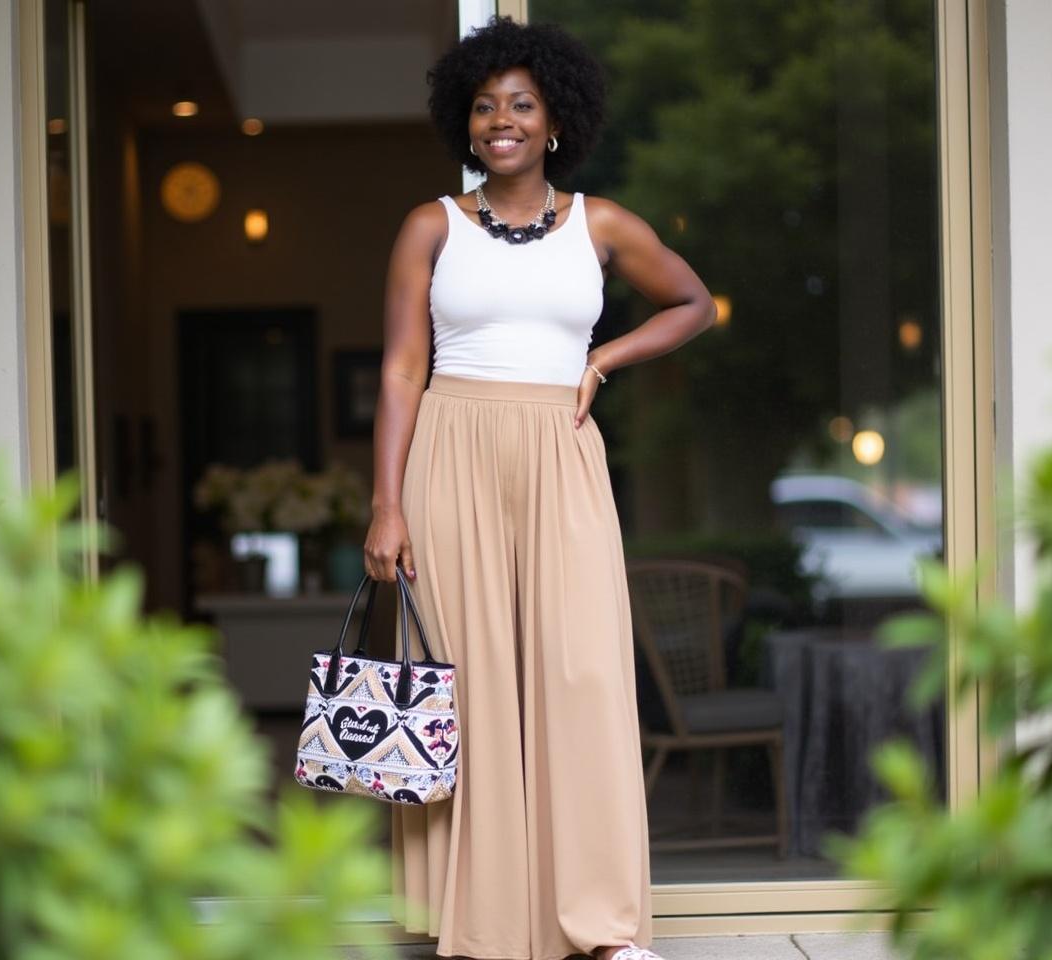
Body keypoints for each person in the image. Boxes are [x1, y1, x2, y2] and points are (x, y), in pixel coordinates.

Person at [363, 16, 715, 960]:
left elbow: (694, 304)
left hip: (561, 454)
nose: (501, 121)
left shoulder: (601, 225)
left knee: (584, 676)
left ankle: (600, 926)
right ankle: (482, 921)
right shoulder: (430, 226)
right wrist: (386, 504)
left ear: (554, 120)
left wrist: (605, 357)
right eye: (484, 107)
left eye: (520, 104)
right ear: (464, 125)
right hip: (451, 450)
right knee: (466, 687)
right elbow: (401, 369)